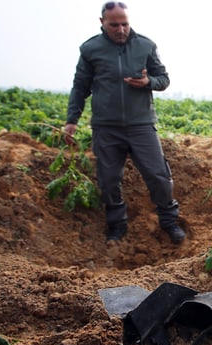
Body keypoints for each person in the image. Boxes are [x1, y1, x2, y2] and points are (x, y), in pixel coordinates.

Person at [64, 1, 185, 243]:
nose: (121, 29)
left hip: (141, 124)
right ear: (102, 23)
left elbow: (163, 79)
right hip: (106, 127)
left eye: (125, 24)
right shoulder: (90, 49)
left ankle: (169, 222)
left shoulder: (146, 46)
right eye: (114, 25)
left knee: (159, 176)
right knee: (109, 181)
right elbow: (80, 87)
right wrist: (72, 120)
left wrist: (148, 82)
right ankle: (117, 227)